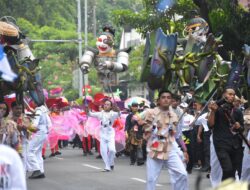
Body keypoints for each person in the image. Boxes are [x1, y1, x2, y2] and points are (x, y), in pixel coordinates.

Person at [139, 90, 188, 190]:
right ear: (159, 100)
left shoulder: (174, 115)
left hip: (170, 146)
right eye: (163, 97)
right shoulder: (150, 112)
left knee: (182, 174)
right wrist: (153, 127)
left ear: (171, 100)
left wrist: (184, 150)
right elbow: (141, 125)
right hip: (155, 145)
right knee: (151, 179)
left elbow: (177, 135)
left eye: (168, 97)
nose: (166, 99)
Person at [208, 87, 244, 180]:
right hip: (221, 144)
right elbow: (210, 125)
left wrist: (238, 126)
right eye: (229, 94)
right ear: (224, 95)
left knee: (232, 172)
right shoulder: (217, 109)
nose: (232, 96)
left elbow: (242, 128)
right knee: (227, 169)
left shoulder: (237, 111)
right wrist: (213, 111)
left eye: (233, 94)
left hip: (235, 145)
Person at [85, 99, 120, 171]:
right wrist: (87, 110)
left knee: (112, 150)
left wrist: (118, 110)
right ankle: (107, 166)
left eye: (108, 104)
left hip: (110, 133)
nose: (106, 105)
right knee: (103, 151)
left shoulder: (113, 113)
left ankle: (111, 162)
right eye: (105, 104)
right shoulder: (100, 113)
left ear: (111, 107)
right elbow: (90, 114)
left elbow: (119, 114)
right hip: (103, 133)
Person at [27, 104, 51, 179]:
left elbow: (34, 125)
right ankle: (41, 170)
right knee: (38, 153)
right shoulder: (43, 109)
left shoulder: (38, 110)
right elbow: (50, 124)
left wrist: (27, 125)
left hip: (39, 132)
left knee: (29, 151)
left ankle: (36, 170)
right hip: (44, 132)